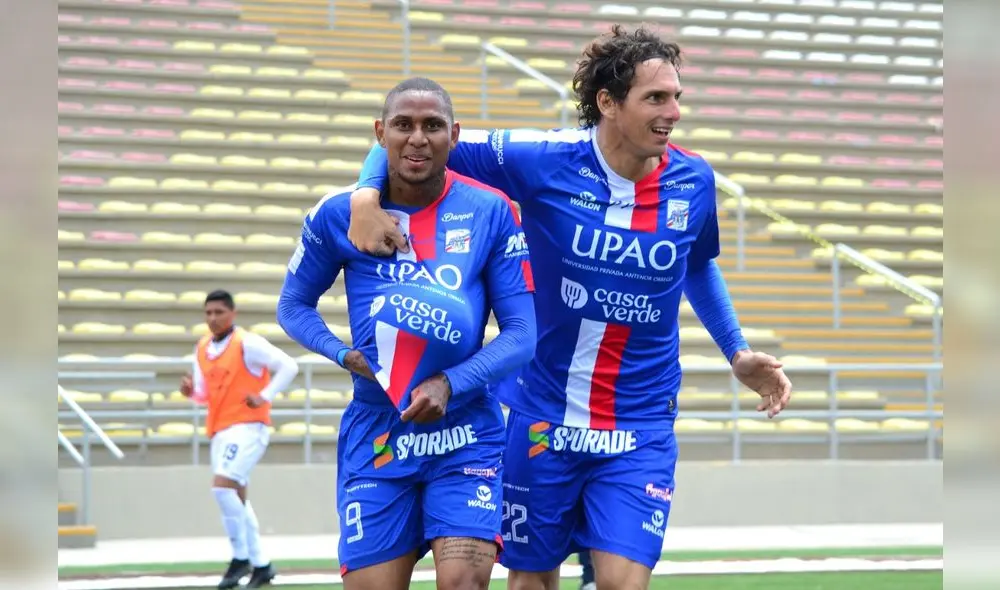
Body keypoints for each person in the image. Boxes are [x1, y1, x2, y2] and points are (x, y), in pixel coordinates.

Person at [344, 25, 792, 590]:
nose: (674, 111)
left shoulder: (694, 180)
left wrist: (737, 350)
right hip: (541, 415)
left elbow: (696, 264)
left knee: (622, 584)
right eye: (656, 97)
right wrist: (364, 195)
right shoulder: (543, 158)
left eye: (677, 96)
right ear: (608, 103)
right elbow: (421, 138)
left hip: (641, 422)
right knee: (530, 581)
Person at [276, 77, 537, 590]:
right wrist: (343, 353)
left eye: (432, 126)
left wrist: (449, 384)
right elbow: (293, 305)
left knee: (464, 581)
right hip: (377, 429)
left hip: (466, 432)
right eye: (403, 125)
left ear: (454, 135)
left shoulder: (492, 211)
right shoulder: (338, 215)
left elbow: (522, 334)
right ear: (380, 133)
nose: (418, 138)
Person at [179, 289, 299, 589]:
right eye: (208, 313)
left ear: (233, 314)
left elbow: (289, 366)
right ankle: (262, 566)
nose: (213, 318)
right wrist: (191, 392)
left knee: (222, 489)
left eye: (219, 312)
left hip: (247, 427)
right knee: (237, 498)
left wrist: (265, 396)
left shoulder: (247, 343)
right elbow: (205, 394)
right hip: (220, 429)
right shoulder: (202, 347)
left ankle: (240, 557)